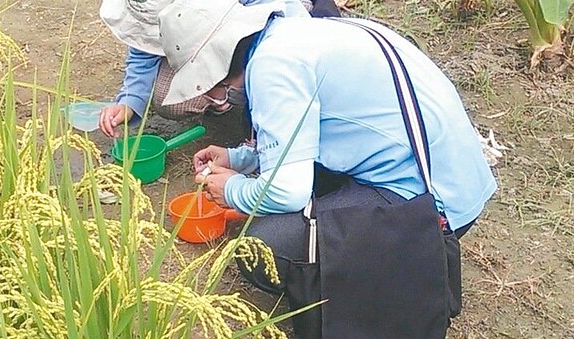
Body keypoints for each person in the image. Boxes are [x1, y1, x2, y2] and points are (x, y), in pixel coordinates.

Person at [157, 0, 497, 336]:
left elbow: (288, 191)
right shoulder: (299, 33)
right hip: (459, 179)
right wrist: (240, 159)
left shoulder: (274, 67)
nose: (216, 97)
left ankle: (376, 278)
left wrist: (232, 190)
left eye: (210, 87)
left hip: (435, 210)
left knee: (261, 249)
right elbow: (314, 133)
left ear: (217, 64)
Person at [97, 0, 340, 138]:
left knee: (270, 84)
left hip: (282, 23)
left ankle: (249, 108)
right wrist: (128, 102)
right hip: (220, 37)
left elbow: (282, 22)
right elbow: (143, 50)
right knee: (170, 99)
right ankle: (227, 100)